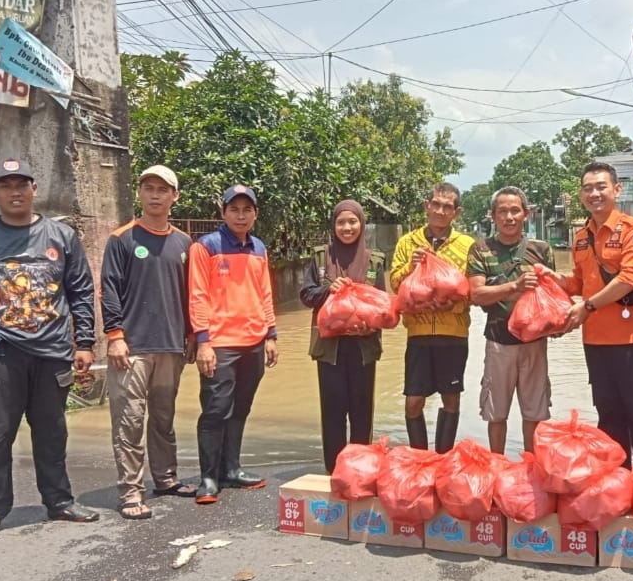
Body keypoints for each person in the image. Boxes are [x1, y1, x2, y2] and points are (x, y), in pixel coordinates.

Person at [0, 159, 99, 545]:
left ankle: (59, 500)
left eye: (22, 184)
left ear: (33, 188)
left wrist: (86, 343)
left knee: (52, 433)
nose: (15, 191)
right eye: (5, 185)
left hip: (52, 353)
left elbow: (80, 292)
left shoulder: (61, 236)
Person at [101, 165, 196, 520]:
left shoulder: (184, 243)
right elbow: (108, 289)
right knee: (129, 419)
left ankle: (166, 478)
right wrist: (115, 336)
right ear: (139, 193)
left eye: (163, 189)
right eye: (148, 188)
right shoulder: (122, 238)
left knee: (163, 416)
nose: (155, 195)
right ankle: (130, 492)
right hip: (133, 346)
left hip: (171, 345)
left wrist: (192, 335)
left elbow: (191, 294)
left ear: (175, 196)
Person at [564, 162, 633, 466]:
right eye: (588, 188)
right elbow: (577, 284)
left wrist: (588, 306)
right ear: (581, 195)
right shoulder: (580, 237)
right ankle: (616, 481)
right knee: (607, 412)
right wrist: (546, 279)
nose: (594, 193)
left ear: (616, 190)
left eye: (601, 186)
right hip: (593, 339)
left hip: (628, 338)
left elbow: (629, 279)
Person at [188, 184, 278, 504]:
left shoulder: (259, 249)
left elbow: (264, 293)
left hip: (253, 341)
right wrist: (203, 341)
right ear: (223, 212)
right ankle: (209, 477)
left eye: (247, 210)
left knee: (241, 408)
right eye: (234, 209)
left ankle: (232, 469)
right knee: (215, 409)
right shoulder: (206, 247)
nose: (241, 215)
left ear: (255, 214)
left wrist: (271, 334)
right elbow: (197, 294)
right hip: (220, 343)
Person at [467, 187, 559, 454]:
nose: (509, 216)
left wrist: (557, 323)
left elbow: (552, 295)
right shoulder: (481, 249)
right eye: (502, 211)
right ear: (492, 216)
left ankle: (531, 467)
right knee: (496, 412)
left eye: (515, 210)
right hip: (498, 341)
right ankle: (498, 465)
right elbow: (476, 294)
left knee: (535, 409)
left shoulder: (541, 249)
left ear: (526, 214)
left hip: (535, 342)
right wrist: (514, 287)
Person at [299, 200, 386, 473]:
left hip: (363, 347)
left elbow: (383, 305)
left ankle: (360, 470)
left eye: (353, 222)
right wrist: (328, 291)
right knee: (333, 411)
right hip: (330, 349)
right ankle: (334, 470)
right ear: (333, 226)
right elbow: (306, 295)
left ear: (361, 224)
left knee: (362, 412)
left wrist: (369, 325)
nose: (347, 228)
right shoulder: (321, 258)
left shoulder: (374, 261)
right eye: (341, 222)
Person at [390, 182, 475, 453]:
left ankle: (443, 459)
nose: (440, 210)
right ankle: (419, 458)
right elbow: (394, 284)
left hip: (454, 333)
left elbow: (473, 289)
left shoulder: (468, 246)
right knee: (413, 401)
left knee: (451, 399)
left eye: (447, 206)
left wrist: (449, 302)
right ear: (427, 206)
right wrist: (410, 266)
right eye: (436, 204)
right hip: (419, 334)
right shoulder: (407, 242)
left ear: (457, 212)